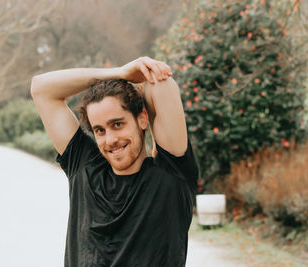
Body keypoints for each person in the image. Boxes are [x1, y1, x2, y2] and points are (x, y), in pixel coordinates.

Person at [30, 56, 199, 266]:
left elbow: (160, 84)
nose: (110, 140)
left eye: (117, 124)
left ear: (142, 118)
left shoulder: (171, 176)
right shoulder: (84, 167)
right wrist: (120, 72)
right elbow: (41, 88)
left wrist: (134, 79)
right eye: (99, 130)